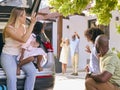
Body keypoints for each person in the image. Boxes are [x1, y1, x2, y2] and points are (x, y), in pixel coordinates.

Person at [0, 7, 36, 90]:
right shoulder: (9, 28)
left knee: (32, 71)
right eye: (24, 15)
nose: (26, 17)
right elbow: (23, 39)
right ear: (18, 17)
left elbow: (27, 40)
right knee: (12, 78)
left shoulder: (23, 27)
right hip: (8, 56)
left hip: (20, 56)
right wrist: (32, 24)